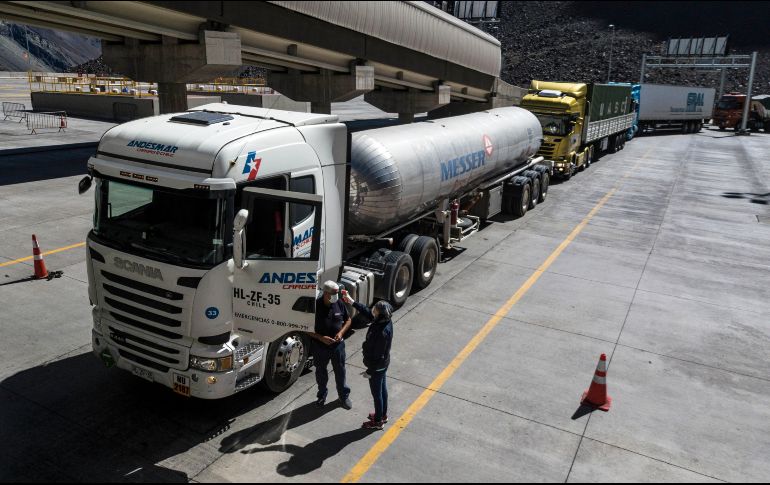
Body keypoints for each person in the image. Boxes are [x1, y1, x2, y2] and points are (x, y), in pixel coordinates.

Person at [342, 291, 393, 431]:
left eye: (376, 310)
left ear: (380, 314)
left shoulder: (381, 333)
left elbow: (378, 355)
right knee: (382, 390)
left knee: (377, 394)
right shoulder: (384, 320)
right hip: (383, 365)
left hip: (377, 367)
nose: (373, 310)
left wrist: (370, 371)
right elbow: (367, 312)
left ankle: (378, 422)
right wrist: (352, 302)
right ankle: (382, 415)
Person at [307, 281, 352, 409]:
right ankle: (322, 395)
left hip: (338, 346)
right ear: (326, 293)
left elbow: (348, 320)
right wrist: (321, 338)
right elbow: (305, 328)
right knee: (321, 372)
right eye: (333, 294)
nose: (336, 296)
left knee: (340, 371)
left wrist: (341, 333)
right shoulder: (315, 307)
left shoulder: (339, 303)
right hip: (320, 347)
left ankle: (343, 396)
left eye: (337, 293)